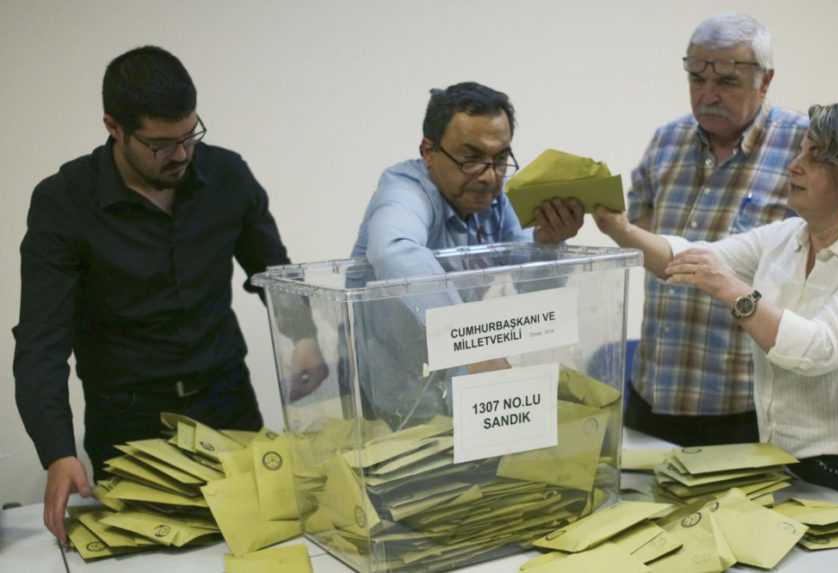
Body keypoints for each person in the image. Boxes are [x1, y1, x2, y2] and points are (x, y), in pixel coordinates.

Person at [13, 46, 326, 544]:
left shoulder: (228, 176)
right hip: (131, 424)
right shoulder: (64, 201)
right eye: (160, 144)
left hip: (227, 406)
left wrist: (304, 337)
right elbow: (41, 341)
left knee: (257, 546)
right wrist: (56, 451)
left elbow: (273, 273)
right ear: (114, 127)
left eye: (190, 135)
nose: (180, 155)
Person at [596, 101, 838, 518]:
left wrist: (733, 291)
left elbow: (816, 351)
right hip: (790, 460)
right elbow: (682, 259)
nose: (794, 166)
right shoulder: (787, 237)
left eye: (815, 158)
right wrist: (620, 229)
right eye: (799, 151)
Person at [625, 13, 838, 447]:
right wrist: (614, 227)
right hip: (664, 384)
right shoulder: (670, 144)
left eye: (726, 82)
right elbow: (681, 248)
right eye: (695, 78)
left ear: (764, 81)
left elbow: (819, 346)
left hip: (749, 401)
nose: (707, 94)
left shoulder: (810, 137)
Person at [348, 81, 584, 428]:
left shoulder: (494, 201)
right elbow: (393, 251)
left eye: (500, 159)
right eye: (471, 158)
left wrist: (547, 245)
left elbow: (532, 288)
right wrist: (472, 346)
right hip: (396, 396)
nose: (489, 177)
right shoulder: (404, 189)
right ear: (429, 151)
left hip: (461, 386)